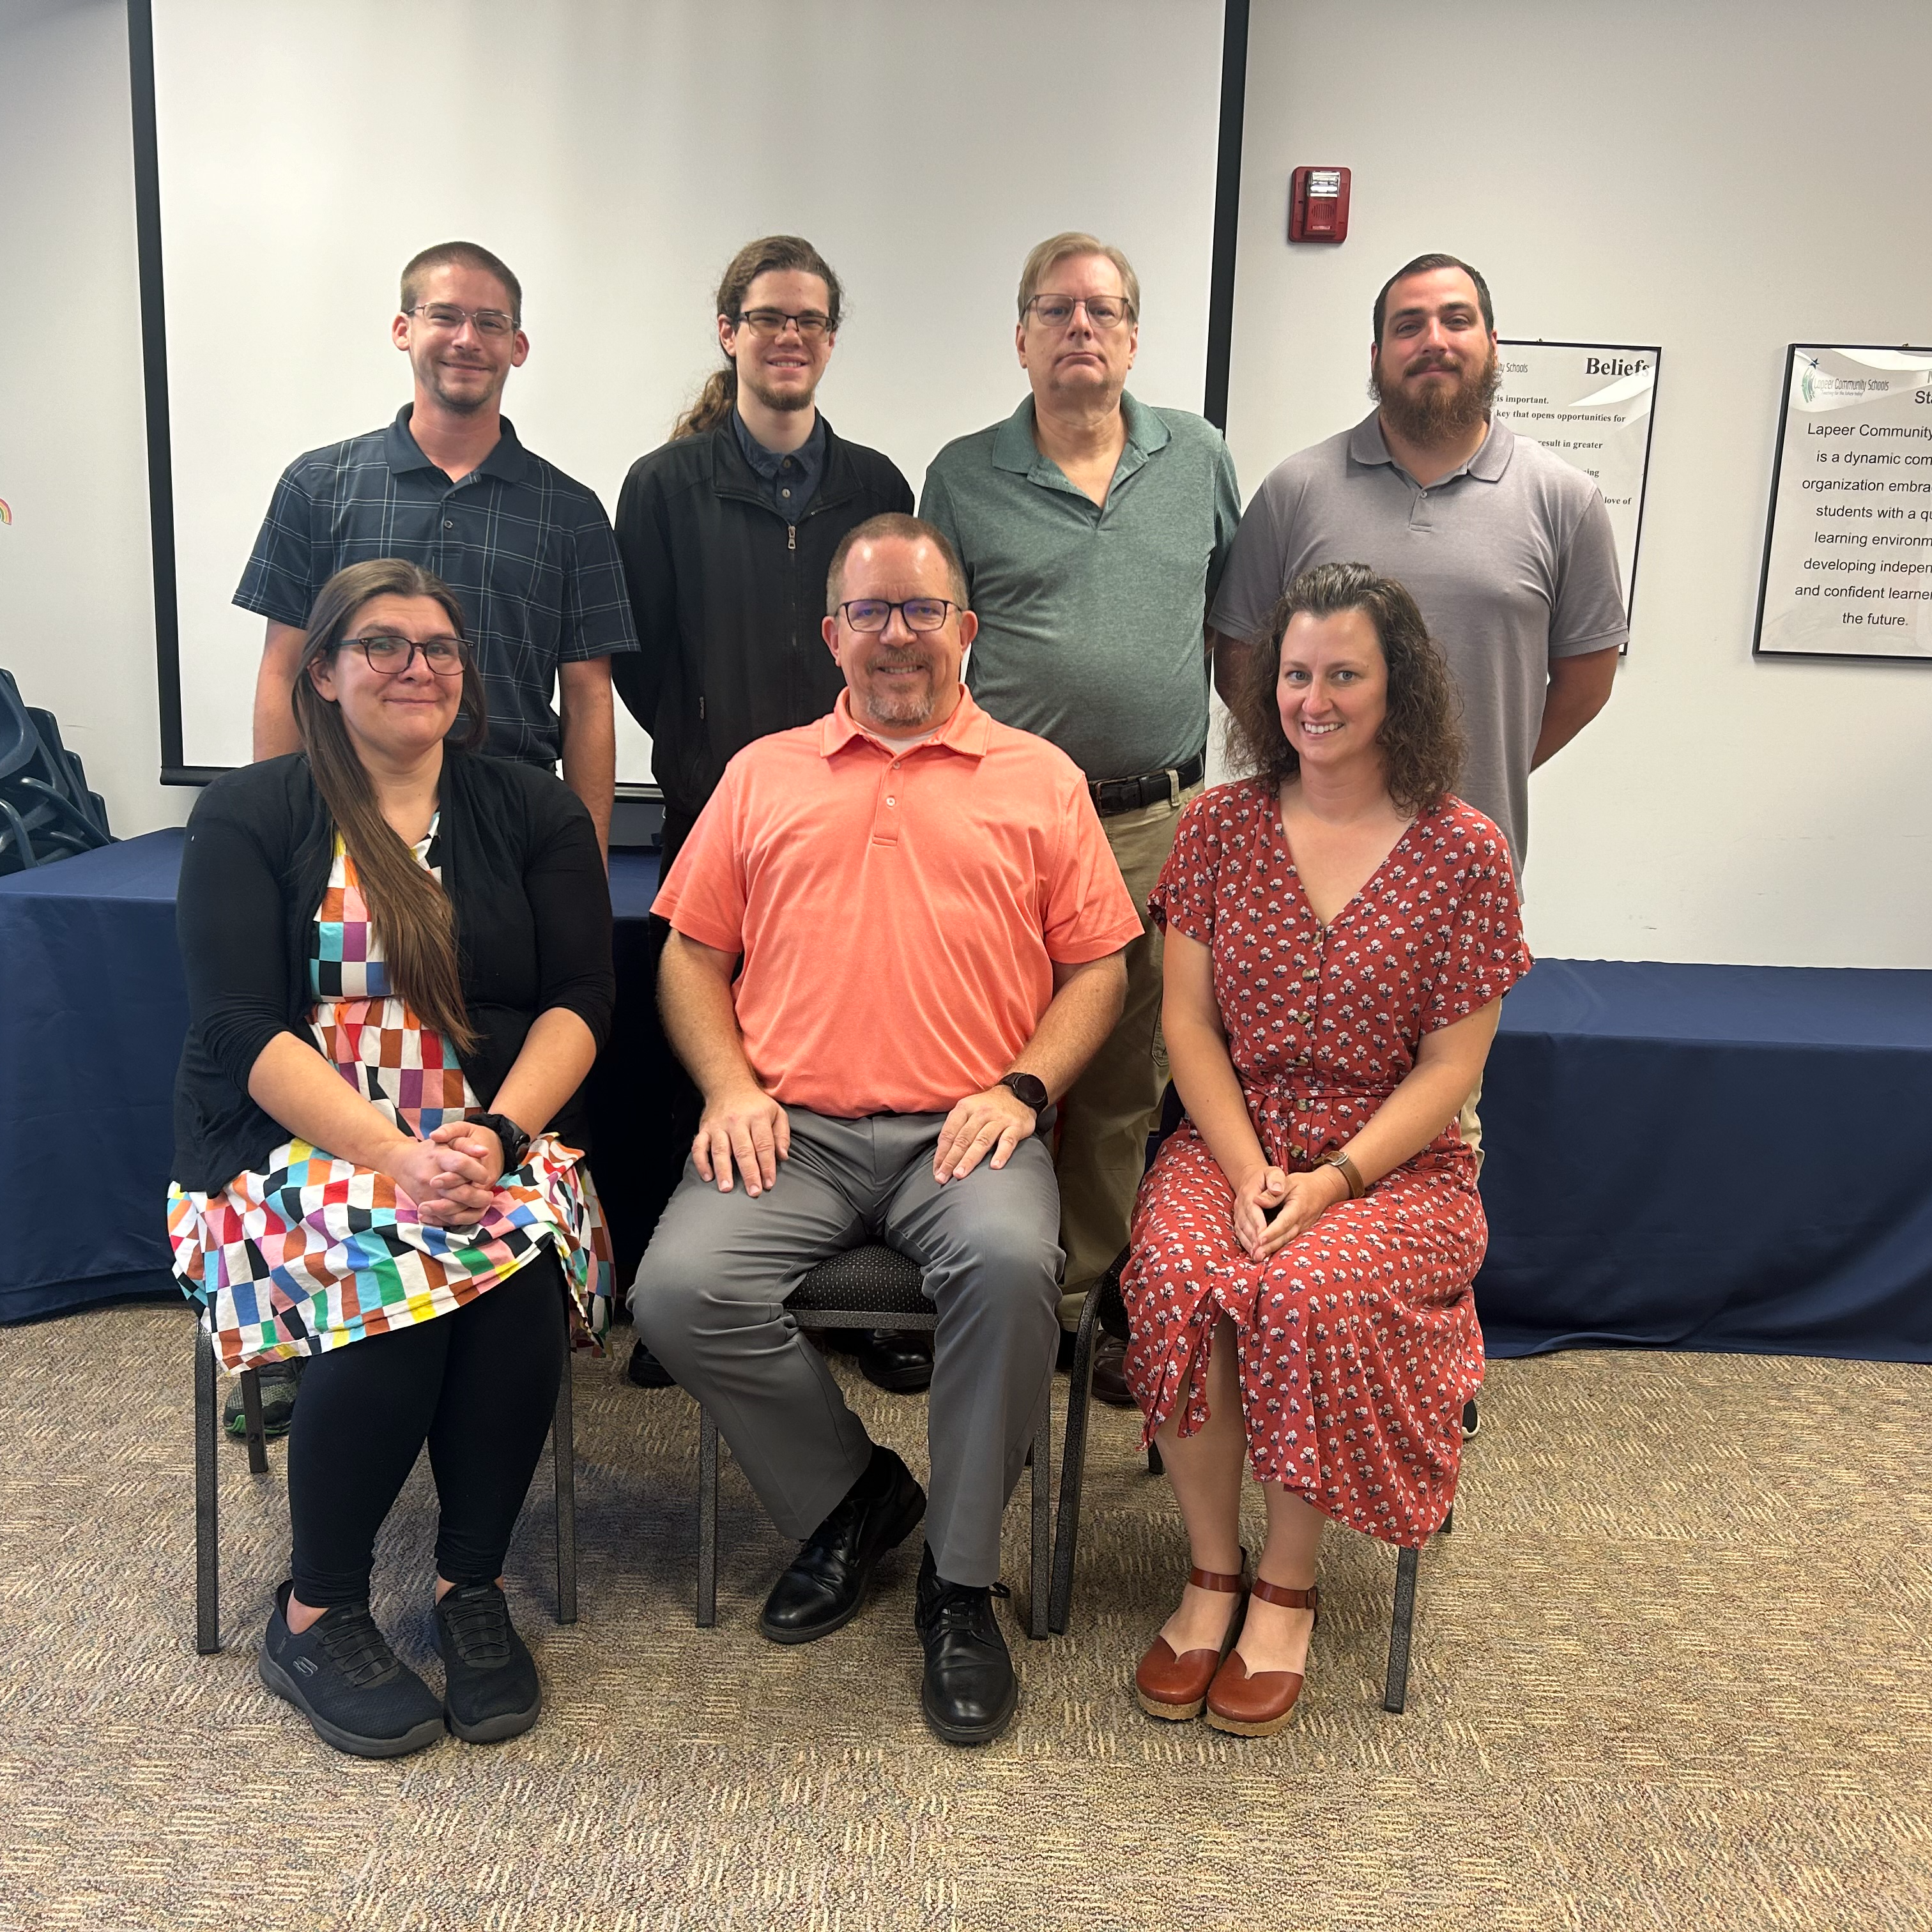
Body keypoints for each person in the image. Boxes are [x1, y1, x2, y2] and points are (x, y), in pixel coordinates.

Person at [632, 514, 1141, 1746]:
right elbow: (691, 954)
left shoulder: (1039, 778)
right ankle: (857, 1492)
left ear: (965, 629)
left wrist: (1021, 1089)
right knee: (676, 1291)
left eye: (921, 609)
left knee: (1014, 1264)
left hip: (966, 1129)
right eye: (871, 611)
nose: (897, 634)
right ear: (832, 633)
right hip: (789, 1125)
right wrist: (728, 1086)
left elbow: (1098, 971)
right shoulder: (761, 773)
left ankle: (958, 1583)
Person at [167, 558, 615, 1759]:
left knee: (511, 1272)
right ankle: (315, 1609)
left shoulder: (533, 809)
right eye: (382, 644)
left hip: (489, 1133)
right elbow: (236, 1028)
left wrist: (499, 1135)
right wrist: (393, 1156)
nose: (416, 666)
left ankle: (472, 1589)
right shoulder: (248, 813)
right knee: (404, 1285)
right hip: (293, 1149)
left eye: (438, 647)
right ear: (322, 668)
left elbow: (580, 996)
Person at [1123, 562, 1529, 1737]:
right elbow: (1186, 1024)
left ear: (1394, 686)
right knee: (1177, 1268)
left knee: (1301, 1286)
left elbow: (1450, 1071)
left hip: (1393, 1164)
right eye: (1294, 673)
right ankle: (1211, 1571)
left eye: (1342, 672)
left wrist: (1329, 1181)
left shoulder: (1463, 853)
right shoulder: (1214, 828)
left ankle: (1287, 1586)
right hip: (1233, 1136)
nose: (1312, 696)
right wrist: (1248, 1164)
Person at [920, 232, 1241, 1406]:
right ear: (1019, 337)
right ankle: (967, 1271)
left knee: (1119, 1071)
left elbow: (1234, 627)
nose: (1079, 327)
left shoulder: (1194, 454)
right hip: (1002, 823)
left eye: (1102, 310)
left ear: (1133, 336)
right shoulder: (960, 472)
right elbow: (931, 646)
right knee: (990, 1051)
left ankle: (1075, 1306)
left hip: (1155, 815)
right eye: (1054, 310)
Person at [611, 236, 918, 1395]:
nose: (789, 336)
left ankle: (869, 1295)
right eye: (766, 316)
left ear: (831, 340)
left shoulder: (876, 480)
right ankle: (709, 1287)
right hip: (716, 804)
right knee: (719, 1039)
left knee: (854, 1032)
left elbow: (897, 636)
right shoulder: (662, 485)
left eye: (811, 320)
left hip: (864, 804)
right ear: (728, 331)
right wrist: (703, 735)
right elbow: (638, 658)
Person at [1208, 251, 1625, 885]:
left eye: (1456, 320)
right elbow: (1237, 655)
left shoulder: (1565, 500)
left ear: (1492, 344)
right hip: (1310, 856)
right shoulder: (1296, 491)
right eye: (1408, 326)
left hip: (1471, 864)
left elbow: (1587, 680)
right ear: (1375, 355)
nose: (1433, 341)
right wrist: (1314, 764)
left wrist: (1479, 764)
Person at [238, 240, 637, 854]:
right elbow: (284, 666)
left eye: (490, 323)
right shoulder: (317, 487)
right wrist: (273, 831)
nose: (467, 339)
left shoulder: (572, 512)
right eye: (445, 316)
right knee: (346, 958)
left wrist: (588, 863)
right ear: (404, 329)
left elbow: (588, 699)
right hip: (343, 819)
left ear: (518, 346)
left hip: (514, 826)